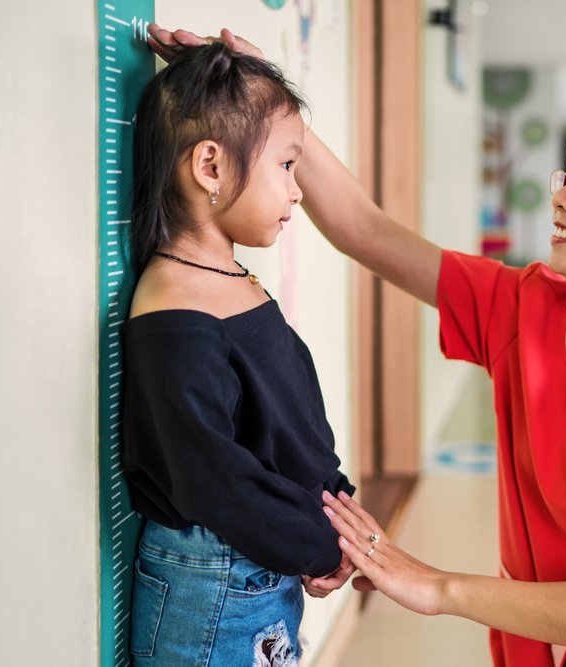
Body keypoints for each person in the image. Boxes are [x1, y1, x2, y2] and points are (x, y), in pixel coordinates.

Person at [146, 25, 566, 667]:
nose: (562, 195)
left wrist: (437, 587)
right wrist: (255, 101)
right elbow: (366, 230)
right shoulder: (530, 308)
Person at [122, 42, 356, 666]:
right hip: (214, 583)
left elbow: (285, 420)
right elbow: (212, 477)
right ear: (210, 167)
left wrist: (335, 509)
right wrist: (316, 544)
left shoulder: (227, 279)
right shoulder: (175, 307)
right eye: (286, 165)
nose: (298, 191)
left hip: (259, 567)